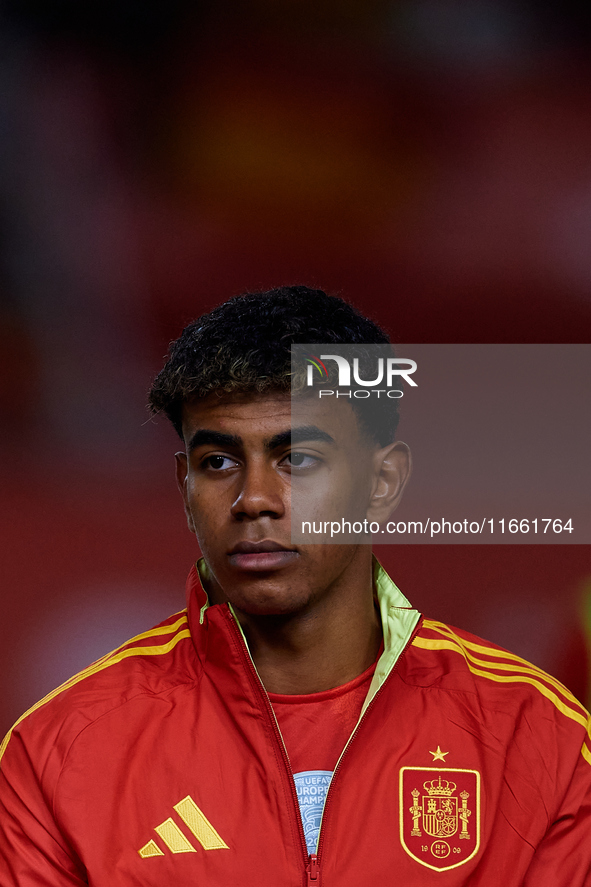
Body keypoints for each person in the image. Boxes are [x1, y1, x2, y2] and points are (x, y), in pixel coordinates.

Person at [0, 285, 589, 886]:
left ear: (383, 481)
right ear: (184, 484)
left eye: (298, 459)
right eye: (218, 462)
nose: (254, 498)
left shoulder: (538, 736)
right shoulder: (60, 754)